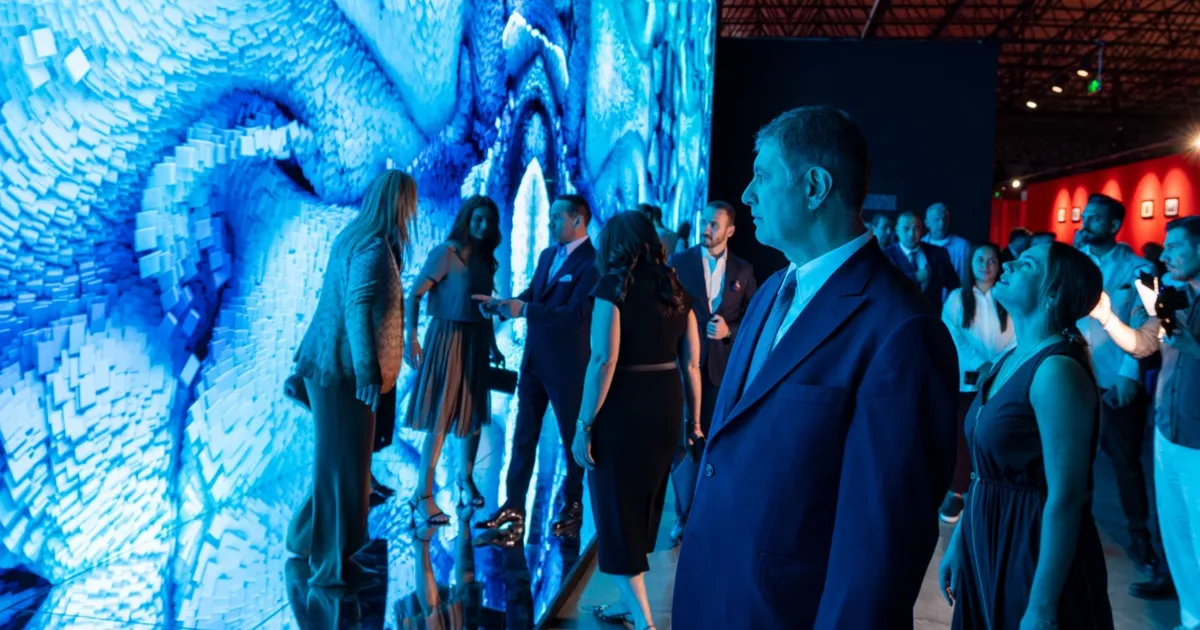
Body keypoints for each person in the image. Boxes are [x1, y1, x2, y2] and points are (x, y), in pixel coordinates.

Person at [673, 106, 959, 629]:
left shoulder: (901, 330)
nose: (748, 194)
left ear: (814, 187)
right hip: (717, 597)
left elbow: (880, 545)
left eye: (762, 176)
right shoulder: (771, 291)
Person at [939, 241, 1114, 629]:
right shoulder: (1011, 357)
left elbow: (1067, 496)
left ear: (1052, 292)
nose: (1009, 264)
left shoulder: (1056, 371)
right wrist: (961, 541)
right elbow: (983, 473)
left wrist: (1041, 605)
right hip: (990, 531)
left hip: (1029, 543)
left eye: (1028, 264)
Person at [571, 210, 702, 630]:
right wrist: (694, 422)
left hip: (623, 408)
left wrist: (584, 425)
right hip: (666, 405)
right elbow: (692, 364)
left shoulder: (612, 286)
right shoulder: (674, 287)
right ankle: (628, 606)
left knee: (616, 512)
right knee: (643, 508)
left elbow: (603, 359)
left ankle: (645, 623)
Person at [287, 169, 415, 587]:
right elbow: (357, 309)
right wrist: (368, 373)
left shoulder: (354, 238)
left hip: (332, 370)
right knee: (347, 474)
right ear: (398, 203)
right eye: (409, 202)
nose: (412, 211)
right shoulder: (372, 248)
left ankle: (306, 541)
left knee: (336, 469)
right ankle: (330, 569)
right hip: (344, 375)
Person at [471, 195, 598, 545]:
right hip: (534, 363)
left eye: (557, 217)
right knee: (522, 438)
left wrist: (524, 310)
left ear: (578, 221)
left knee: (572, 441)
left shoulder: (592, 263)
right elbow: (534, 295)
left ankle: (573, 508)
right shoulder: (547, 255)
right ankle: (513, 509)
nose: (550, 222)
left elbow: (574, 315)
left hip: (568, 368)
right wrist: (503, 305)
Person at [1097, 216, 1200, 610]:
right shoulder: (1174, 295)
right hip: (1166, 430)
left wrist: (1194, 348)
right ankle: (1191, 616)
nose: (1165, 254)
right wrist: (1109, 318)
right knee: (1176, 532)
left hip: (1196, 438)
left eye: (1175, 247)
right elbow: (1143, 346)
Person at [1075, 193, 1166, 582]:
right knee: (1071, 459)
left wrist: (1130, 373)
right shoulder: (1074, 263)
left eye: (1095, 219)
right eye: (1085, 217)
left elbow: (1155, 322)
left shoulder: (1141, 268)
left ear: (1114, 226)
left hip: (1117, 376)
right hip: (1075, 375)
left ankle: (1140, 538)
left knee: (1126, 464)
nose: (1086, 223)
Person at [402, 195, 503, 529]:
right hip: (447, 339)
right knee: (442, 416)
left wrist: (492, 345)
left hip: (475, 341)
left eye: (488, 221)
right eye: (478, 219)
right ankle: (422, 493)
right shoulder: (447, 253)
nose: (483, 226)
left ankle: (465, 479)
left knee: (471, 414)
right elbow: (414, 294)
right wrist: (411, 338)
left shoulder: (485, 260)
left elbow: (483, 308)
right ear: (466, 220)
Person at [667, 200, 758, 543]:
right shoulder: (679, 263)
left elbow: (753, 320)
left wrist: (728, 332)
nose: (705, 229)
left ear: (730, 230)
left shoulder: (744, 271)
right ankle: (683, 515)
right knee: (683, 443)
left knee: (714, 442)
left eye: (714, 224)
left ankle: (707, 515)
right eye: (704, 221)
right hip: (681, 367)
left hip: (721, 371)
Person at [938, 242, 1014, 524]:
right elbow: (952, 335)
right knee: (962, 434)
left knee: (997, 434)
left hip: (1002, 377)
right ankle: (957, 491)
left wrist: (996, 366)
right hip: (967, 380)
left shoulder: (1008, 296)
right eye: (980, 260)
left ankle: (994, 490)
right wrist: (980, 363)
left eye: (992, 260)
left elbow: (1018, 336)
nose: (986, 265)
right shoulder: (957, 298)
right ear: (970, 264)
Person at [883, 210, 961, 308]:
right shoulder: (885, 255)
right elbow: (884, 287)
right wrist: (916, 277)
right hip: (900, 315)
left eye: (916, 228)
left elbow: (954, 286)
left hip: (932, 314)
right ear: (897, 230)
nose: (911, 234)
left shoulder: (939, 254)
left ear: (922, 230)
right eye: (906, 229)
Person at [923, 202, 972, 285]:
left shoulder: (963, 246)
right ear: (927, 223)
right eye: (937, 220)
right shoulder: (919, 245)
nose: (942, 224)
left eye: (944, 219)